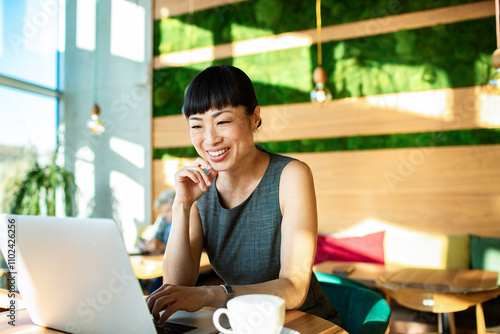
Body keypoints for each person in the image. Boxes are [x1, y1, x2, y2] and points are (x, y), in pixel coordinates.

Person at [146, 65, 342, 327]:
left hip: (305, 324)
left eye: (223, 121)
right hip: (244, 325)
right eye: (197, 126)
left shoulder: (290, 176)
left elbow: (295, 288)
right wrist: (182, 205)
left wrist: (208, 294)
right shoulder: (200, 187)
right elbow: (176, 287)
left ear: (255, 117)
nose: (210, 139)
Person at [140, 189, 175, 254]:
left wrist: (162, 246)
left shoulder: (186, 223)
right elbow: (155, 238)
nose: (165, 215)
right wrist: (147, 245)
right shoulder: (163, 220)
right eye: (163, 212)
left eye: (168, 211)